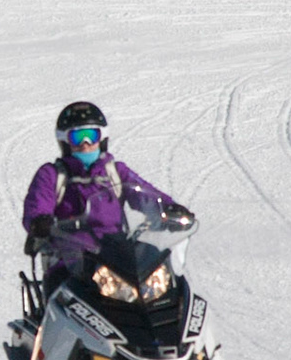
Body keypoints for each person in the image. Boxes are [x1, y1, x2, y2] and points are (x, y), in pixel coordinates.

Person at [21, 101, 192, 286]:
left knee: (158, 274)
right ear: (65, 141)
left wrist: (167, 208)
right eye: (78, 138)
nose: (86, 144)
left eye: (91, 136)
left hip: (116, 253)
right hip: (71, 259)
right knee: (59, 284)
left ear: (102, 139)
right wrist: (40, 222)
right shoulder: (52, 174)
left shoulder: (115, 172)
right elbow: (38, 203)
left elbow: (145, 193)